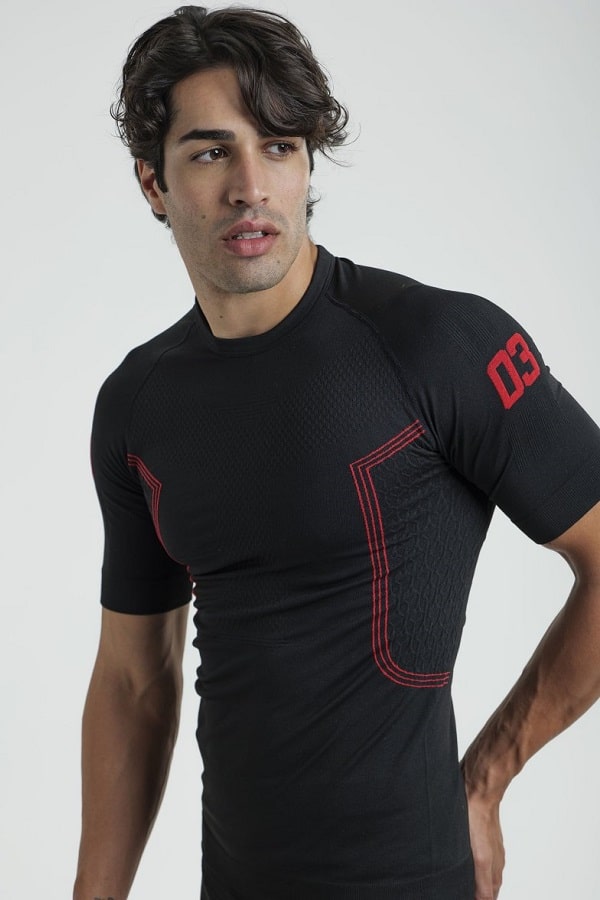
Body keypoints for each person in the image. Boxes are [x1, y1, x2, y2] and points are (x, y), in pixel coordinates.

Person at [73, 6, 600, 900]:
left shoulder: (438, 344)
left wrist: (488, 777)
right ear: (152, 183)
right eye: (211, 152)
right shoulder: (138, 403)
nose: (250, 186)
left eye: (278, 147)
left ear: (308, 164)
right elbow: (133, 681)